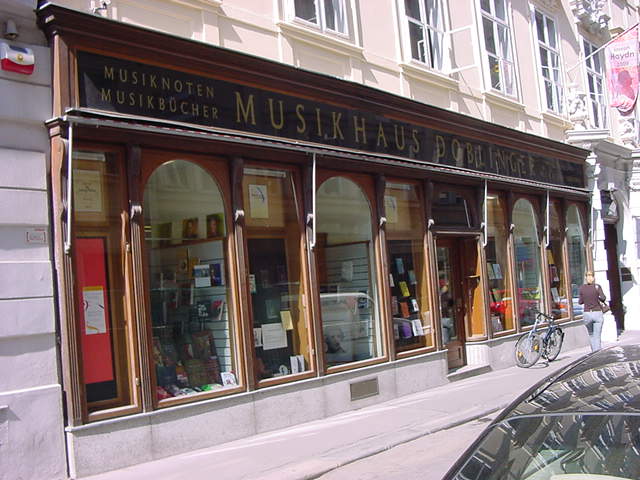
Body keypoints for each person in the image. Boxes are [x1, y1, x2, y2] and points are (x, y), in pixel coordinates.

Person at [578, 271, 606, 352]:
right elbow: (603, 298)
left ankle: (593, 353)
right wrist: (597, 297)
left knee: (591, 335)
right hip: (597, 313)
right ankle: (598, 354)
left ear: (585, 278)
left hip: (587, 313)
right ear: (593, 278)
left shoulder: (582, 288)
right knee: (597, 336)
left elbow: (580, 302)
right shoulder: (597, 287)